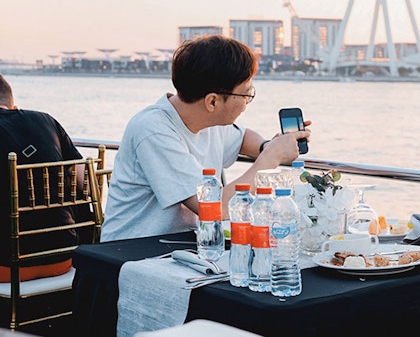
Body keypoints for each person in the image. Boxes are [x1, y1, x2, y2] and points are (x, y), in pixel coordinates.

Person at [101, 35, 311, 242]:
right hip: (132, 252)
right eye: (247, 95)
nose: (248, 102)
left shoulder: (209, 120)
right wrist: (271, 159)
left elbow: (242, 137)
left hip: (184, 245)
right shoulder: (153, 130)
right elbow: (213, 208)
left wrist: (268, 146)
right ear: (212, 102)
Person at [0, 74, 87, 282]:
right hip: (64, 257)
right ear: (13, 104)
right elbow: (85, 181)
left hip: (7, 268)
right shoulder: (47, 120)